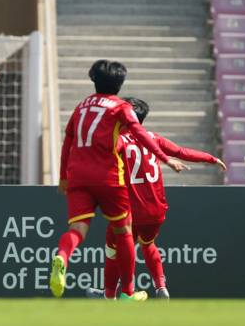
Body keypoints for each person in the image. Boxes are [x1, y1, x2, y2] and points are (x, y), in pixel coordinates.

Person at [52, 59, 188, 301]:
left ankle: (62, 257)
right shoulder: (120, 107)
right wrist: (164, 158)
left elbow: (67, 142)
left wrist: (64, 177)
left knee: (77, 230)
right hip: (108, 176)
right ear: (120, 83)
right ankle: (127, 292)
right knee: (124, 230)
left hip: (78, 176)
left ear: (94, 80)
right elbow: (139, 134)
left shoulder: (80, 106)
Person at [85, 97, 227, 300]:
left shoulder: (120, 140)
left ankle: (109, 296)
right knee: (148, 244)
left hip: (129, 212)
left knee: (114, 250)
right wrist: (211, 158)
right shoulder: (154, 138)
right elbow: (181, 152)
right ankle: (161, 288)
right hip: (156, 211)